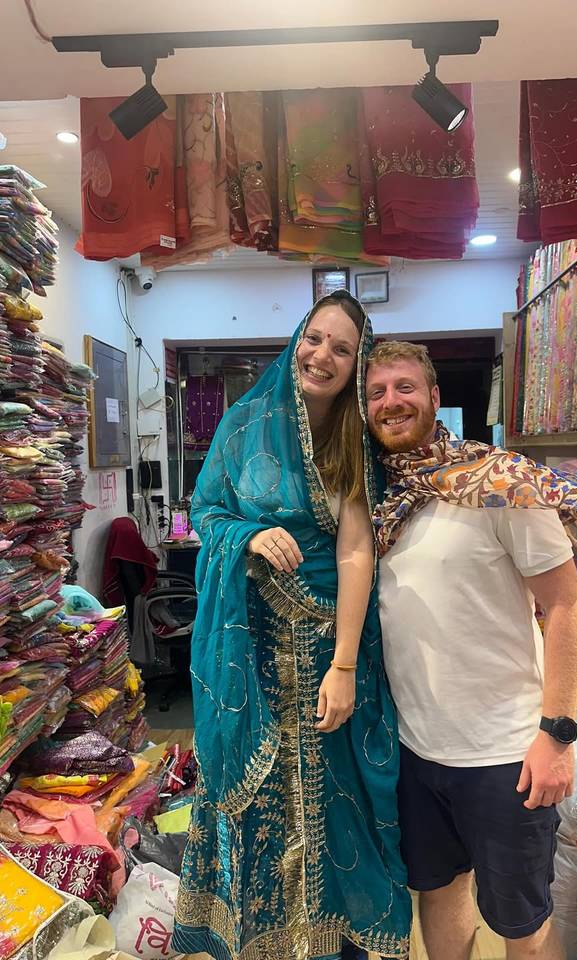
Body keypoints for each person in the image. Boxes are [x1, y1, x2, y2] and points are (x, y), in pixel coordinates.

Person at [363, 341, 577, 960]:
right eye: (376, 393)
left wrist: (557, 734)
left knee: (519, 925)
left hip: (505, 755)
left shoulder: (499, 484)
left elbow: (566, 605)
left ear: (435, 399)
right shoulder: (383, 504)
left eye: (405, 387)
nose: (391, 402)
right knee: (439, 899)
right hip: (417, 750)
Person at [173, 294, 411, 960]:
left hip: (335, 649)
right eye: (315, 339)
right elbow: (208, 513)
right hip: (251, 654)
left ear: (356, 362)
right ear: (295, 342)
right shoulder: (244, 423)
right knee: (256, 806)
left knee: (341, 804)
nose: (322, 356)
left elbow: (357, 548)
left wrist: (341, 666)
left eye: (342, 348)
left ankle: (332, 944)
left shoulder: (356, 435)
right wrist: (247, 537)